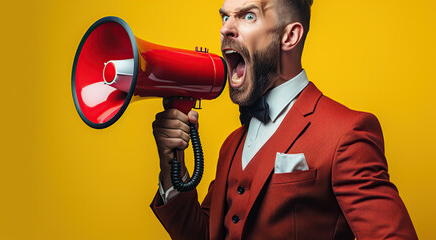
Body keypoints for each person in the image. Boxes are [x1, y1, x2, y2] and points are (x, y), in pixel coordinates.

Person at [149, 0, 418, 239]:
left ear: (289, 36)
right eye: (225, 17)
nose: (225, 29)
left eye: (248, 16)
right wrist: (173, 165)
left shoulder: (346, 133)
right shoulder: (231, 145)